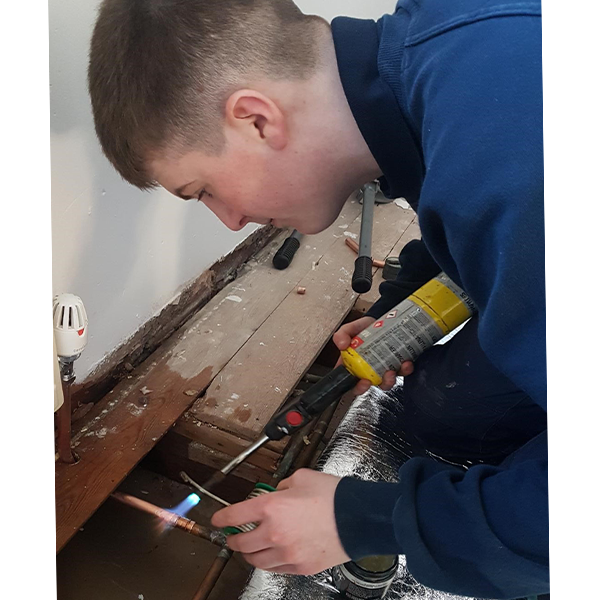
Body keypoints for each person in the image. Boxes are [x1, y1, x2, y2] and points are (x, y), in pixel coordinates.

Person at [87, 1, 551, 597]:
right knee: (446, 412)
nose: (229, 223)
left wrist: (361, 521)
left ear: (256, 119)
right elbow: (462, 216)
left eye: (203, 190)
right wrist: (401, 303)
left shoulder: (518, 169)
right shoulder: (445, 66)